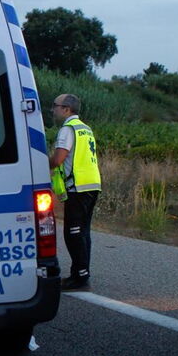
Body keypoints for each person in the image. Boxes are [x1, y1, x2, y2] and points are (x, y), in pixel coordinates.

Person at [50, 94, 101, 290]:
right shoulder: (85, 129)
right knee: (83, 232)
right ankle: (83, 272)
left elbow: (58, 160)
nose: (53, 110)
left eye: (55, 106)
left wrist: (40, 163)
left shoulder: (67, 129)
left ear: (67, 109)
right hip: (92, 183)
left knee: (73, 232)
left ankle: (78, 277)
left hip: (77, 186)